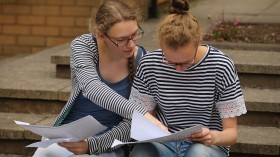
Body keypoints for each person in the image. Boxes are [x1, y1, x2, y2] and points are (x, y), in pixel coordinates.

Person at [32, 1, 163, 156]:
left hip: (109, 144)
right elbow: (93, 88)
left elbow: (132, 125)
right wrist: (141, 113)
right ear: (101, 35)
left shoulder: (143, 60)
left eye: (135, 34)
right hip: (68, 137)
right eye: (121, 40)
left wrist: (92, 145)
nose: (131, 44)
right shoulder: (84, 45)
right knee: (47, 153)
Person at [128, 0, 247, 157]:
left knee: (197, 154)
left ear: (198, 41)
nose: (177, 69)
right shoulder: (149, 64)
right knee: (141, 153)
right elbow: (143, 118)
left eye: (185, 62)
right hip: (165, 144)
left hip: (206, 146)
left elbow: (231, 134)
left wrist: (213, 136)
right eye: (170, 61)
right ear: (161, 45)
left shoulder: (221, 65)